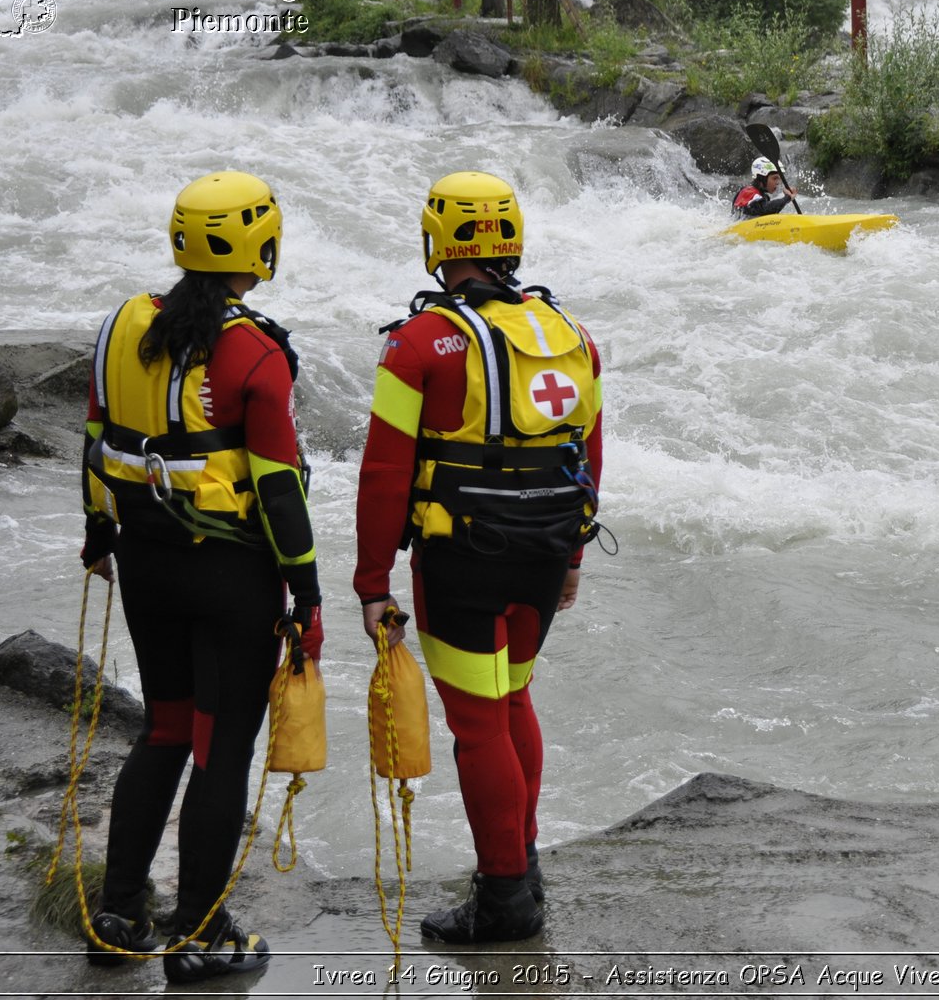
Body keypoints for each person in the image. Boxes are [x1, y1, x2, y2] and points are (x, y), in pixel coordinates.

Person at [78, 170, 322, 984]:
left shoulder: (123, 322)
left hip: (144, 563)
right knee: (221, 749)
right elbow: (279, 485)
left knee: (166, 729)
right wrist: (309, 592)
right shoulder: (255, 348)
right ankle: (199, 934)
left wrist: (98, 534)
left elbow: (96, 434)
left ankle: (117, 913)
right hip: (230, 579)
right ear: (261, 246)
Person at [354, 171, 604, 944]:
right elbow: (587, 449)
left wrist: (370, 581)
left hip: (460, 559)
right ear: (512, 240)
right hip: (542, 551)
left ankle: (503, 900)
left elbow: (384, 471)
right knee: (514, 700)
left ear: (439, 242)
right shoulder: (567, 331)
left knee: (476, 722)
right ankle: (522, 866)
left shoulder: (419, 343)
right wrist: (573, 554)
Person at [731, 156, 798, 218]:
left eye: (779, 179)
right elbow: (765, 210)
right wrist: (787, 197)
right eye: (775, 178)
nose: (778, 182)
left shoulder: (761, 195)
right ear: (761, 178)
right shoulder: (748, 192)